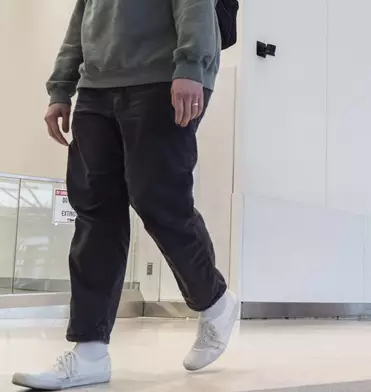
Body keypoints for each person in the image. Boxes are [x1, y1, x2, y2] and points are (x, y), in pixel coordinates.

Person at [12, 1, 238, 390]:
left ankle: (214, 300)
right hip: (96, 87)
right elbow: (83, 17)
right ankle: (89, 351)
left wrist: (190, 66)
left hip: (161, 75)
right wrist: (61, 87)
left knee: (158, 201)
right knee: (94, 214)